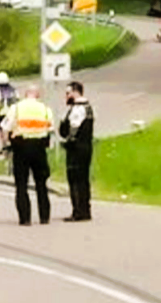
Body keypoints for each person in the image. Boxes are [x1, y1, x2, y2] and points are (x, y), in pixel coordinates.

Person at [0, 84, 54, 226]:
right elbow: (51, 129)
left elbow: (5, 128)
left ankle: (25, 218)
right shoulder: (45, 109)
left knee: (21, 185)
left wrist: (5, 146)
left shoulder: (16, 108)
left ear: (26, 94)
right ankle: (44, 217)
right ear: (38, 95)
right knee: (41, 184)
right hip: (40, 149)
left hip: (21, 148)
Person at [59, 81, 95, 222]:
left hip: (76, 149)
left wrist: (68, 139)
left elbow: (71, 130)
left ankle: (78, 211)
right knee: (84, 180)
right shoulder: (88, 107)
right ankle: (85, 210)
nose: (66, 96)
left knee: (75, 180)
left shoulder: (78, 109)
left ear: (75, 92)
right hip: (86, 147)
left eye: (68, 93)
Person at [0, 72, 18, 150]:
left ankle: (4, 144)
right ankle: (13, 143)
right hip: (13, 111)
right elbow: (17, 99)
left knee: (1, 128)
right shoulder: (13, 90)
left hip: (3, 112)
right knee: (13, 127)